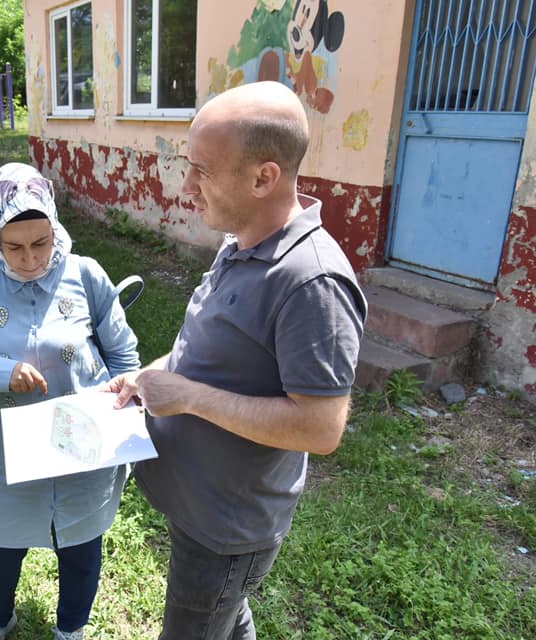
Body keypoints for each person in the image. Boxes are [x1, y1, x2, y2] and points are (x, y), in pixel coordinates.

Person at [110, 81, 367, 639]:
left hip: (225, 530)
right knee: (228, 615)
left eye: (202, 169)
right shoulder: (242, 239)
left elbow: (320, 428)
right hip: (198, 507)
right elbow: (210, 348)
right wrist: (151, 375)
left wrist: (188, 397)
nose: (187, 184)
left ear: (263, 178)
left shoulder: (311, 281)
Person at [0, 162, 140, 640]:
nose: (29, 259)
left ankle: (71, 627)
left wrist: (122, 383)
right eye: (14, 247)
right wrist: (0, 373)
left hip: (82, 440)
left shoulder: (86, 276)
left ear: (55, 228)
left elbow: (122, 351)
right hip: (6, 451)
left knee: (82, 546)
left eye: (41, 243)